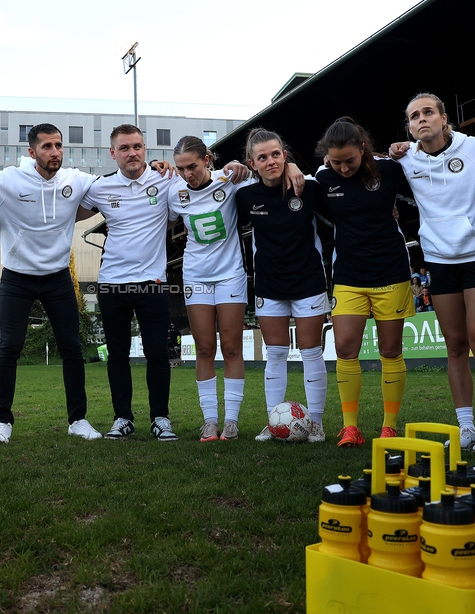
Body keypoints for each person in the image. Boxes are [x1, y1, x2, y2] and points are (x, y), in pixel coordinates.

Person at [80, 125, 249, 441]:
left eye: (138, 146)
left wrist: (245, 166)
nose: (133, 153)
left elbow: (262, 177)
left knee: (159, 351)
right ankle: (123, 418)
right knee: (118, 354)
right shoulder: (102, 186)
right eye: (125, 147)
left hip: (154, 281)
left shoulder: (167, 180)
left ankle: (162, 418)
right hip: (113, 282)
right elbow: (69, 208)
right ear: (113, 153)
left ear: (145, 148)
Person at [389, 93, 475, 452]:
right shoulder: (406, 159)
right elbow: (361, 164)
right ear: (408, 128)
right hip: (439, 259)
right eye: (413, 116)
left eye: (428, 112)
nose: (421, 119)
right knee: (454, 345)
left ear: (443, 118)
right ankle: (466, 427)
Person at [0, 123, 102, 444]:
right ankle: (2, 421)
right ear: (32, 152)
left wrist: (158, 171)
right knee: (9, 348)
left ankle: (78, 420)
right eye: (47, 147)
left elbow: (113, 189)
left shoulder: (75, 180)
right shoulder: (6, 180)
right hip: (17, 277)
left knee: (72, 348)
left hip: (58, 277)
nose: (55, 152)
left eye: (59, 146)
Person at [315, 118, 414, 446]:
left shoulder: (389, 169)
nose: (343, 168)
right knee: (344, 348)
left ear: (363, 149)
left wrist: (409, 148)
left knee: (390, 350)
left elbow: (422, 191)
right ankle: (350, 427)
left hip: (391, 272)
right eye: (336, 161)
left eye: (350, 161)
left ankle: (389, 426)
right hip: (348, 276)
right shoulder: (323, 177)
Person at [235, 128, 330, 443]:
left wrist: (297, 170)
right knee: (274, 353)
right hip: (269, 285)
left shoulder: (309, 187)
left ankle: (315, 423)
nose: (271, 161)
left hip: (309, 281)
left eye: (276, 154)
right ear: (252, 162)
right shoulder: (246, 196)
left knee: (311, 351)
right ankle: (273, 422)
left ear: (284, 155)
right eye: (262, 157)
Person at [167, 136, 251, 442]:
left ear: (207, 159)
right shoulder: (173, 193)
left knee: (231, 348)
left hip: (230, 275)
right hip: (195, 277)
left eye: (192, 166)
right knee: (203, 349)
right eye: (180, 168)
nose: (187, 174)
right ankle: (210, 421)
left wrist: (242, 166)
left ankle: (231, 421)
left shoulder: (229, 180)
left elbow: (261, 178)